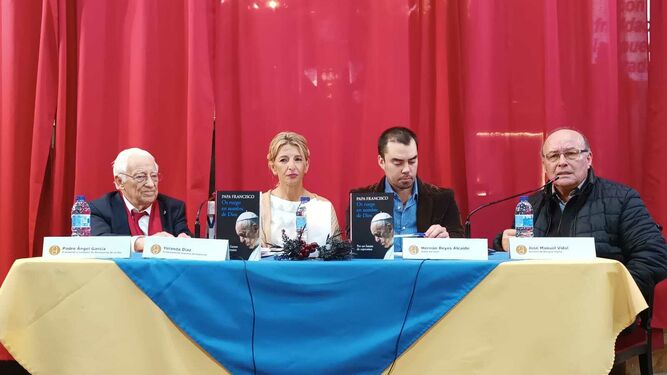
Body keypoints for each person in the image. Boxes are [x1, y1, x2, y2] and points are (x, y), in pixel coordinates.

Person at [494, 128, 667, 300]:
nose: (562, 162)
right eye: (553, 156)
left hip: (600, 306)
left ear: (589, 158)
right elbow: (519, 259)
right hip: (540, 302)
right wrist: (503, 245)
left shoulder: (622, 199)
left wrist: (615, 296)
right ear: (544, 164)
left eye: (570, 153)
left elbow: (655, 255)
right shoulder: (531, 204)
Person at [348, 126, 464, 252]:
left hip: (426, 270)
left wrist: (447, 239)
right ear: (381, 161)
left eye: (412, 161)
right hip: (379, 270)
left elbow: (461, 241)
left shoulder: (443, 199)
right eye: (398, 163)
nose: (407, 169)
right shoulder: (361, 199)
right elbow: (354, 247)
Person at [90, 148, 191, 252]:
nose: (151, 184)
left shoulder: (173, 208)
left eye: (154, 176)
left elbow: (185, 240)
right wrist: (140, 243)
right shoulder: (100, 209)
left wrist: (185, 242)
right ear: (120, 182)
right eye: (140, 177)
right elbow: (98, 241)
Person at [260, 131, 340, 246]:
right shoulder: (260, 206)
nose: (291, 166)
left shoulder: (324, 206)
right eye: (283, 160)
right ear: (273, 167)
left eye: (297, 159)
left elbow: (338, 257)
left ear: (306, 165)